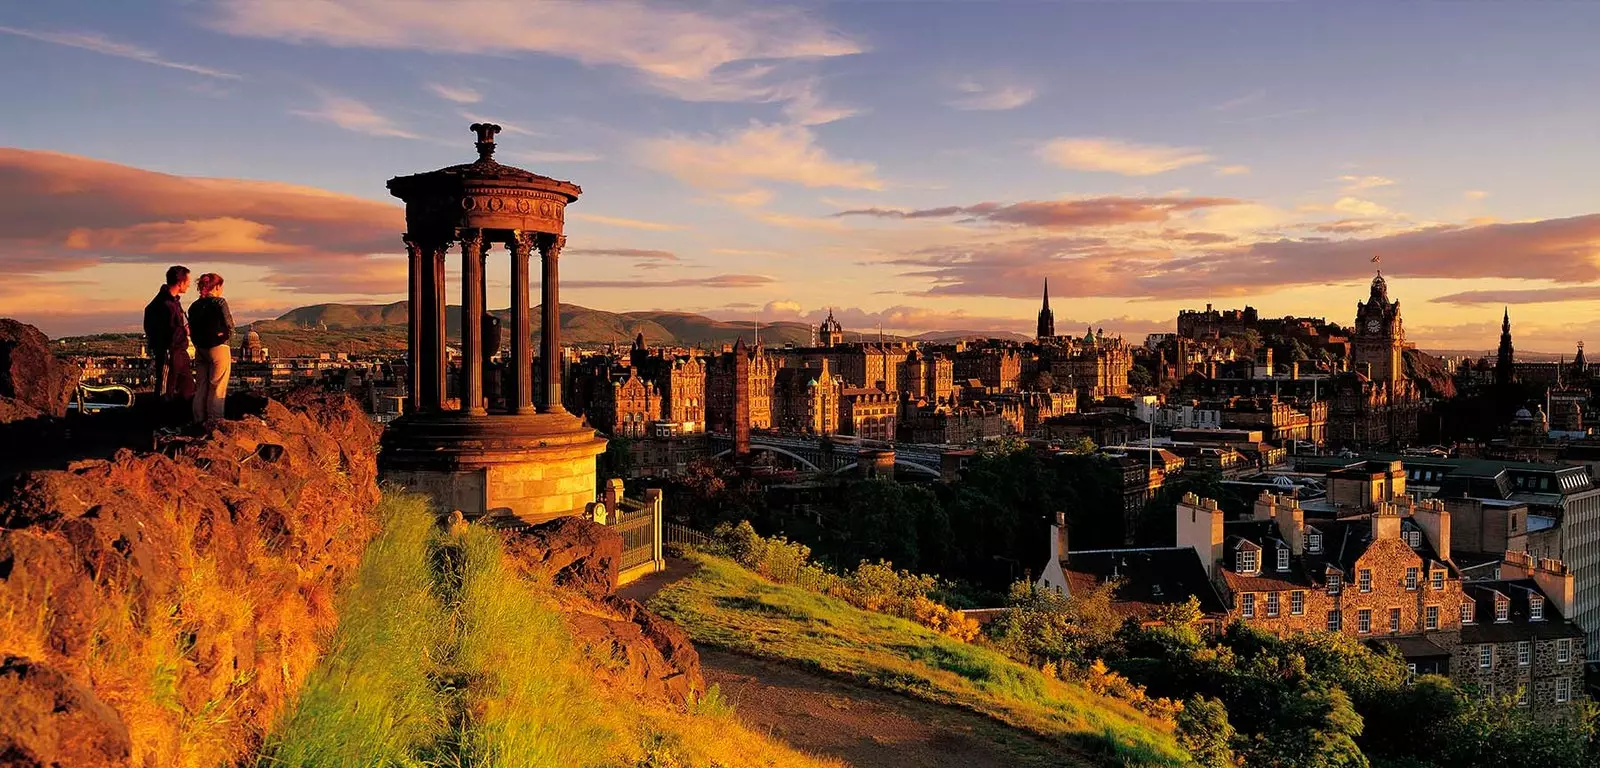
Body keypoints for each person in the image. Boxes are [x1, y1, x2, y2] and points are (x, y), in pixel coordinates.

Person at [143, 266, 192, 410]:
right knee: (166, 390)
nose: (189, 285)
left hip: (179, 351)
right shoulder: (165, 304)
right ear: (180, 282)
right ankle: (161, 423)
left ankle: (179, 421)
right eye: (187, 281)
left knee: (188, 387)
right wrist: (185, 331)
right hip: (169, 351)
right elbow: (168, 331)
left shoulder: (171, 301)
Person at [187, 273, 235, 424]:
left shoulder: (194, 306)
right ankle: (215, 421)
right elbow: (230, 325)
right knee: (217, 386)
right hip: (219, 347)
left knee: (201, 387)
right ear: (217, 286)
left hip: (200, 349)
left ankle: (198, 419)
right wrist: (226, 335)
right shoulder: (220, 302)